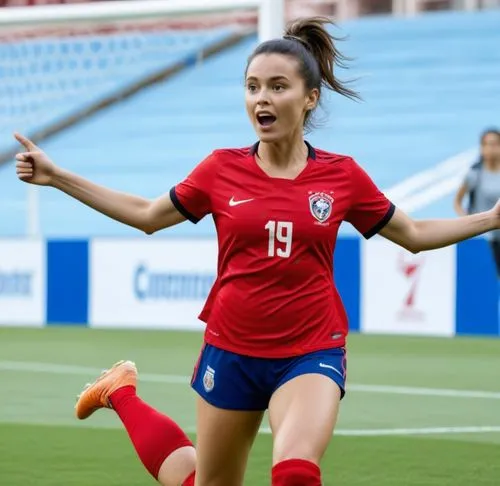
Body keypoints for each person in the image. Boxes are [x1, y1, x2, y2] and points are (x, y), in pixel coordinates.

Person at [14, 16, 500, 486]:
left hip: (311, 350)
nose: (261, 99)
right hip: (231, 349)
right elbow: (146, 215)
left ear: (310, 98)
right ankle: (121, 393)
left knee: (294, 472)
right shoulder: (220, 170)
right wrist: (58, 178)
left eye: (276, 86)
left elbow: (412, 233)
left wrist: (492, 219)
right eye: (252, 86)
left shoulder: (342, 176)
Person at [454, 128, 500, 276]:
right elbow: (457, 202)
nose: (490, 149)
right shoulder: (475, 174)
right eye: (486, 144)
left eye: (495, 144)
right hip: (483, 237)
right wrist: (468, 222)